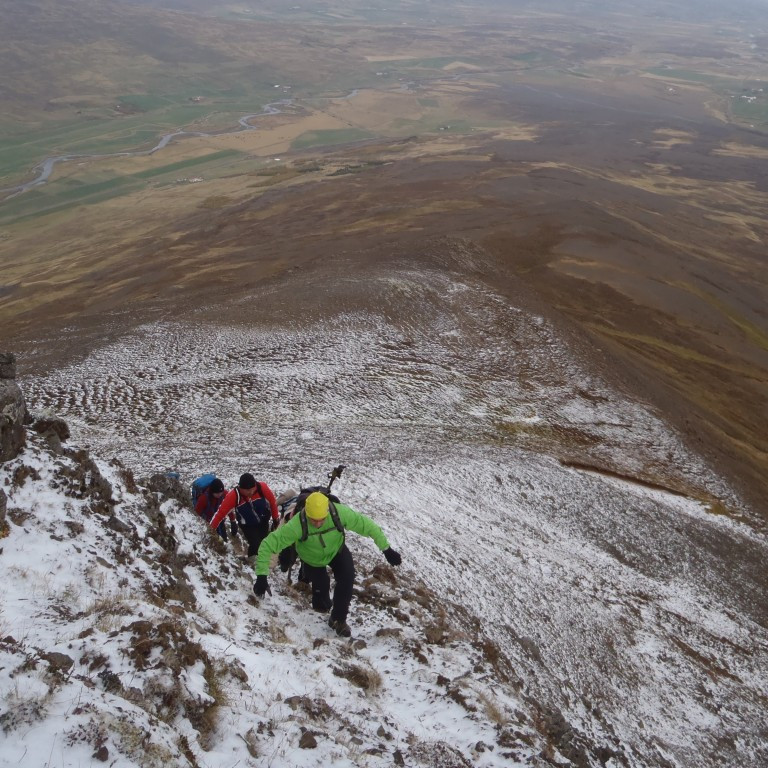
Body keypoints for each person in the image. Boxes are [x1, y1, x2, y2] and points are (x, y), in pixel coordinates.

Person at [253, 491, 402, 637]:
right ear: (306, 513)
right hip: (312, 559)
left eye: (321, 519)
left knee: (347, 578)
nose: (317, 523)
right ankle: (320, 602)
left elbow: (367, 525)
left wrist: (386, 549)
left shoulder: (338, 512)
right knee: (322, 597)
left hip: (336, 550)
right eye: (313, 520)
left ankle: (338, 620)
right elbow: (268, 544)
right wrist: (261, 576)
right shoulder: (297, 524)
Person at [210, 472, 279, 559]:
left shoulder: (262, 488)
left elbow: (273, 503)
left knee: (262, 543)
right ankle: (255, 562)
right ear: (240, 488)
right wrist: (210, 531)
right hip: (247, 524)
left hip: (263, 520)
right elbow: (219, 514)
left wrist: (275, 519)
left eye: (252, 489)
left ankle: (251, 560)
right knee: (256, 544)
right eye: (247, 490)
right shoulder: (234, 496)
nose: (251, 492)